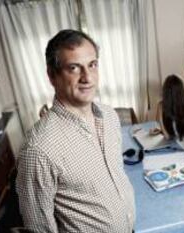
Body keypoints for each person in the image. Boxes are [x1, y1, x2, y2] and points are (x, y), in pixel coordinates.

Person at [16, 29, 135, 233]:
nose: (87, 77)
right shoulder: (38, 149)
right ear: (52, 76)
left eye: (92, 65)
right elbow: (39, 228)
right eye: (74, 68)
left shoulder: (109, 116)